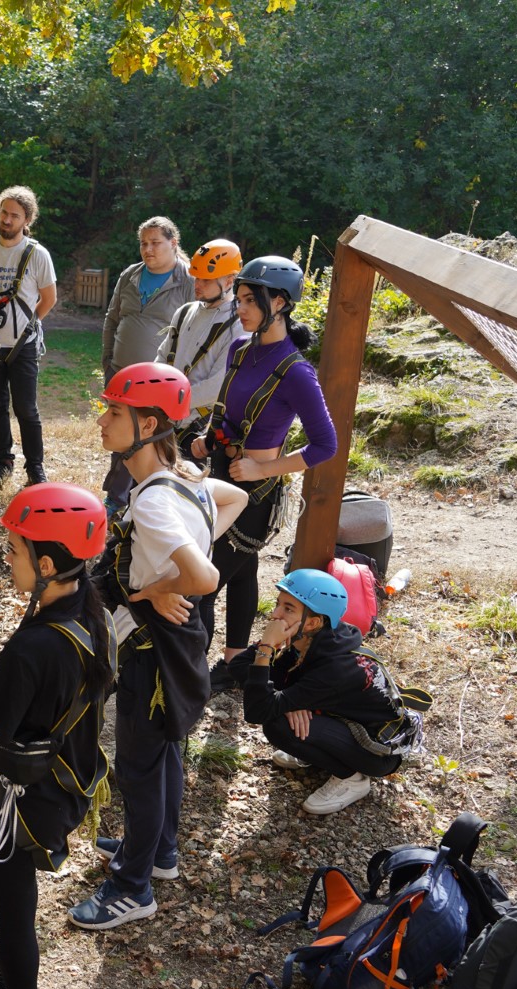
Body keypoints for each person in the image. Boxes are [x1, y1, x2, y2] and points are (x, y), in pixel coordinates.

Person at [68, 363, 246, 931]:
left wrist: (156, 587)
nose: (103, 420)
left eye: (115, 412)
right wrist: (190, 543)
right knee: (166, 747)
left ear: (148, 423)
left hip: (150, 646)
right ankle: (160, 849)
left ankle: (132, 885)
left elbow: (206, 579)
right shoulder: (187, 480)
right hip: (181, 642)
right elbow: (236, 497)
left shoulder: (150, 501)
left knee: (139, 766)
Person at [0, 482, 112, 989]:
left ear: (47, 563)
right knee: (16, 900)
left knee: (13, 905)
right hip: (70, 780)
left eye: (15, 550)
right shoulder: (93, 617)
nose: (7, 557)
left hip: (22, 804)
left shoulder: (32, 649)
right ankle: (10, 987)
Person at [186, 256, 337, 695]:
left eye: (251, 300)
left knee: (206, 581)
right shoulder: (240, 349)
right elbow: (231, 415)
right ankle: (234, 662)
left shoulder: (297, 372)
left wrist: (263, 468)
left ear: (281, 303)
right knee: (243, 570)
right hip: (220, 474)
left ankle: (191, 676)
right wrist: (206, 438)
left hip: (256, 493)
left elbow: (325, 445)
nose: (241, 308)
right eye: (239, 298)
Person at [227, 569, 428, 815]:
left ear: (313, 622)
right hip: (344, 720)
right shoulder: (311, 640)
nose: (275, 614)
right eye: (279, 604)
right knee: (282, 708)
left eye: (288, 609)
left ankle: (351, 778)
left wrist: (268, 647)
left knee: (278, 725)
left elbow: (258, 710)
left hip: (377, 751)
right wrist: (290, 694)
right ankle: (319, 752)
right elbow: (237, 668)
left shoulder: (335, 668)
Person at [100, 217, 193, 515]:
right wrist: (107, 360)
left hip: (159, 384)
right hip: (120, 374)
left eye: (155, 243)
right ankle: (116, 499)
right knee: (120, 433)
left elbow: (194, 331)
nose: (148, 249)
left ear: (173, 243)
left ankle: (154, 499)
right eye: (144, 243)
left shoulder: (188, 280)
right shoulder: (130, 275)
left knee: (151, 439)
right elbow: (112, 319)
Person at [0, 186, 58, 487]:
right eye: (4, 213)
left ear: (26, 219)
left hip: (24, 346)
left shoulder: (37, 255)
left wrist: (27, 325)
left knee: (26, 409)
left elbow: (49, 298)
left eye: (14, 215)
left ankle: (35, 468)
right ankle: (3, 461)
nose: (7, 219)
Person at [156, 238, 242, 446]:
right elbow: (161, 357)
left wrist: (171, 401)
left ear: (229, 281)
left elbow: (218, 386)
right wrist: (156, 392)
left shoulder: (237, 325)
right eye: (196, 278)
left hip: (198, 430)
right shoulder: (185, 312)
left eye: (206, 280)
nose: (198, 285)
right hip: (164, 420)